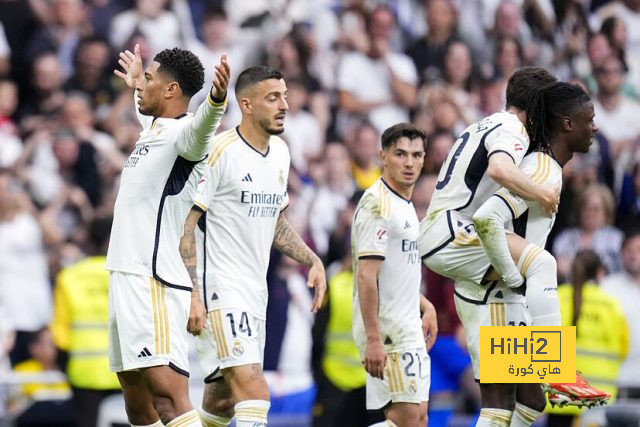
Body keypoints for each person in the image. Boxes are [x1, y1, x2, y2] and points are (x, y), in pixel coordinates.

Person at [178, 66, 326, 427]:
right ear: (246, 104)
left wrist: (311, 259)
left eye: (286, 96)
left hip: (254, 292)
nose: (284, 105)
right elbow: (185, 225)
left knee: (223, 401)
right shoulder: (218, 150)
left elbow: (275, 222)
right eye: (273, 98)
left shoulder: (280, 153)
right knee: (255, 392)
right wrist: (194, 294)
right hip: (220, 290)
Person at [464, 82, 607, 426]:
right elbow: (489, 217)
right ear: (567, 124)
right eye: (589, 119)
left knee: (531, 402)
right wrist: (512, 275)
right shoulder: (541, 169)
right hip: (499, 294)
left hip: (509, 296)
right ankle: (560, 370)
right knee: (498, 408)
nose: (595, 127)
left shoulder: (548, 167)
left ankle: (558, 370)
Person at [106, 43, 230, 427]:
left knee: (168, 399)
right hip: (125, 275)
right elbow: (151, 117)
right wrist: (137, 86)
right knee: (137, 405)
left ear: (172, 90)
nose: (140, 84)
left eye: (149, 78)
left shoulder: (185, 137)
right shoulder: (156, 130)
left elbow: (203, 125)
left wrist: (217, 99)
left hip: (153, 280)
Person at [352, 123, 438, 427]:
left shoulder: (405, 205)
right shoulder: (378, 203)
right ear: (383, 157)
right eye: (400, 154)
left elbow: (395, 274)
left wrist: (425, 306)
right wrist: (374, 338)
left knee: (420, 419)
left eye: (416, 155)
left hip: (408, 324)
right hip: (389, 330)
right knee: (408, 420)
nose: (409, 162)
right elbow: (367, 276)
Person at [50, 217, 121, 427]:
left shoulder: (69, 277)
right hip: (125, 369)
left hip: (83, 372)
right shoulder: (125, 275)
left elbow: (61, 335)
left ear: (88, 240)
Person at [546, 250, 628, 427]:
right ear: (599, 271)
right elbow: (623, 349)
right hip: (597, 398)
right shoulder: (612, 305)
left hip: (560, 395)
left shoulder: (556, 297)